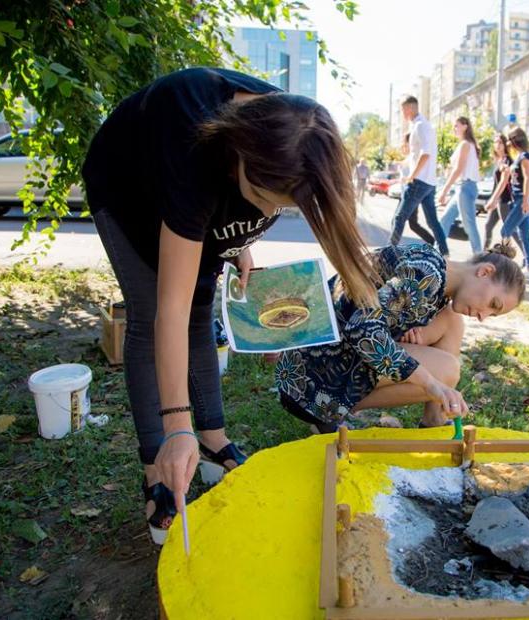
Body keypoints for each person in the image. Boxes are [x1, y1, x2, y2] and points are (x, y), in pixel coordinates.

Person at [82, 67, 379, 543]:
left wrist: (236, 239)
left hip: (200, 185)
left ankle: (212, 439)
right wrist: (176, 424)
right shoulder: (190, 156)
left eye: (279, 209)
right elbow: (170, 310)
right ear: (239, 156)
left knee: (204, 314)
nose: (266, 213)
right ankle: (157, 465)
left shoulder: (295, 130)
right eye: (263, 198)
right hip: (127, 187)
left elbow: (244, 207)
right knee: (150, 315)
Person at [275, 243, 525, 432]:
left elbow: (376, 312)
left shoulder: (436, 269)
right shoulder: (427, 275)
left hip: (314, 362)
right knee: (447, 371)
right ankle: (330, 415)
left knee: (452, 321)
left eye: (493, 315)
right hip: (309, 387)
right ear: (484, 271)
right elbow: (363, 330)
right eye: (493, 304)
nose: (484, 316)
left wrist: (412, 331)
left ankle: (434, 420)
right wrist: (431, 384)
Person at [388, 96, 450, 255]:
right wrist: (403, 163)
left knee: (399, 217)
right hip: (429, 182)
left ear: (409, 108)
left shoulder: (421, 126)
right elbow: (417, 155)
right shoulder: (420, 125)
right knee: (432, 221)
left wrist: (412, 176)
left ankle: (388, 253)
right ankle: (443, 252)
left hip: (419, 181)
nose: (402, 113)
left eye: (402, 109)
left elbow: (426, 154)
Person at [491, 127, 529, 273]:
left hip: (522, 200)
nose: (508, 143)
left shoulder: (525, 157)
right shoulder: (518, 157)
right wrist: (506, 168)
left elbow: (528, 178)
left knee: (505, 231)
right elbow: (514, 175)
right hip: (519, 200)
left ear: (517, 140)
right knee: (524, 236)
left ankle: (505, 266)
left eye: (510, 139)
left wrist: (526, 200)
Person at [437, 117, 482, 254]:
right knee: (445, 219)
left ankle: (479, 255)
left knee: (469, 225)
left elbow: (458, 169)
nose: (454, 129)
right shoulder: (466, 144)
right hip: (462, 188)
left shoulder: (465, 145)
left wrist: (444, 191)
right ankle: (437, 252)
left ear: (465, 126)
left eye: (456, 126)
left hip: (465, 187)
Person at [483, 134, 523, 251]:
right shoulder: (499, 160)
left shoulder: (508, 161)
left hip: (505, 200)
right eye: (495, 142)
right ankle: (483, 254)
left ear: (505, 144)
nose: (498, 145)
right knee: (488, 226)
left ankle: (526, 255)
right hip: (498, 200)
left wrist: (493, 199)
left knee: (509, 230)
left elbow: (504, 182)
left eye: (500, 142)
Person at [400, 132, 435, 245]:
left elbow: (411, 176)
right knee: (413, 224)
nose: (403, 146)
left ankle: (391, 247)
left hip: (409, 194)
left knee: (399, 220)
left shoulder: (413, 158)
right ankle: (432, 241)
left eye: (405, 143)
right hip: (405, 194)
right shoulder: (409, 158)